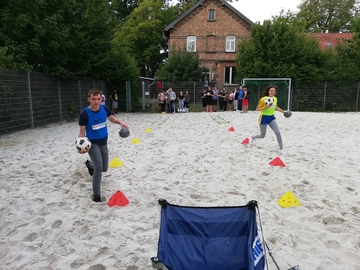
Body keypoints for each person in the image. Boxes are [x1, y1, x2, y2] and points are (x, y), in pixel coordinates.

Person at [78, 88, 129, 202]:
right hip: (92, 142)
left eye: (98, 99)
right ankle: (96, 195)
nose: (96, 102)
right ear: (89, 99)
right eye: (93, 99)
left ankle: (90, 165)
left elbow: (111, 119)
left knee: (104, 168)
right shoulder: (84, 114)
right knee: (99, 166)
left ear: (102, 99)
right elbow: (81, 134)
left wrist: (120, 122)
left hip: (104, 140)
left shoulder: (105, 108)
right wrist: (80, 146)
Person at [249, 85, 286, 154]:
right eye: (271, 90)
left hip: (271, 118)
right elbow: (257, 109)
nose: (272, 92)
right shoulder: (263, 99)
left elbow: (276, 107)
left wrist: (283, 112)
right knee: (262, 135)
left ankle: (281, 148)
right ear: (268, 91)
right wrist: (265, 107)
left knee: (278, 132)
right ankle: (252, 137)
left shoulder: (275, 99)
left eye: (274, 91)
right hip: (263, 118)